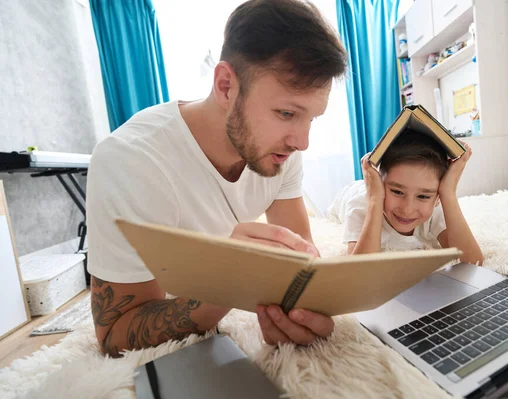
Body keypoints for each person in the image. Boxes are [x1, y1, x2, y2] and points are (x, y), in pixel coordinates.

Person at [87, 0, 347, 357]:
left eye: (311, 119)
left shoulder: (282, 151)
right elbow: (115, 332)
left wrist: (300, 310)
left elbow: (301, 266)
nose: (302, 141)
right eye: (287, 113)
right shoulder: (131, 161)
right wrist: (230, 278)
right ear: (226, 86)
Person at [345, 130, 484, 265]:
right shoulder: (361, 205)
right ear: (380, 183)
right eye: (397, 192)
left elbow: (472, 262)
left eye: (423, 196)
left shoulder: (435, 206)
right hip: (352, 190)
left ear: (437, 197)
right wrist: (375, 200)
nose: (407, 210)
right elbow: (358, 270)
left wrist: (448, 193)